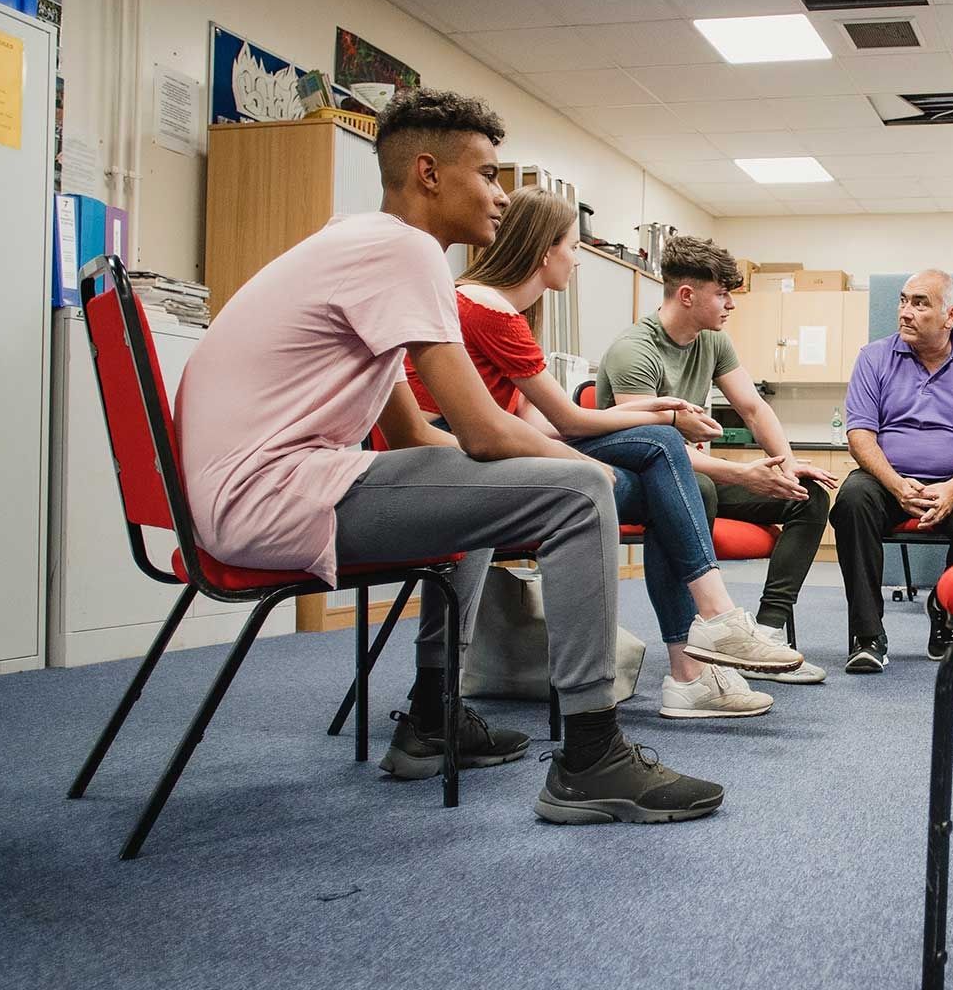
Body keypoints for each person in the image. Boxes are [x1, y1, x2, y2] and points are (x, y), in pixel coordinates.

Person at [176, 87, 720, 824]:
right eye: (488, 175)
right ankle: (592, 757)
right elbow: (483, 430)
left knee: (500, 482)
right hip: (271, 496)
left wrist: (535, 463)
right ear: (429, 173)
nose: (501, 197)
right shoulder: (405, 251)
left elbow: (418, 439)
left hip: (253, 492)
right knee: (570, 491)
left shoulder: (363, 243)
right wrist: (585, 473)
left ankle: (433, 718)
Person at [403, 187, 799, 720]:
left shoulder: (500, 309)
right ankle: (701, 646)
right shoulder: (488, 309)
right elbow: (562, 423)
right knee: (662, 457)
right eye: (572, 246)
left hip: (488, 448)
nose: (577, 261)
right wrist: (630, 434)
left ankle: (696, 662)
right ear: (544, 251)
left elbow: (536, 421)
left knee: (664, 477)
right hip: (453, 455)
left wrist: (654, 412)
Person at [597, 236, 837, 685]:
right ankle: (696, 642)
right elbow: (651, 445)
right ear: (688, 295)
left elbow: (754, 408)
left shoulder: (713, 341)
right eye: (722, 294)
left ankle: (765, 632)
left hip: (697, 471)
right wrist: (744, 473)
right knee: (699, 485)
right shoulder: (635, 349)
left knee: (806, 496)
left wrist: (783, 465)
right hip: (647, 483)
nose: (730, 304)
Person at [831, 270, 953, 672]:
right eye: (903, 300)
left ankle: (944, 606)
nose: (905, 312)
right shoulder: (873, 357)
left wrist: (952, 488)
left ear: (950, 315)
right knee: (851, 502)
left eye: (919, 303)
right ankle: (867, 634)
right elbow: (859, 433)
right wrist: (895, 485)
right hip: (886, 478)